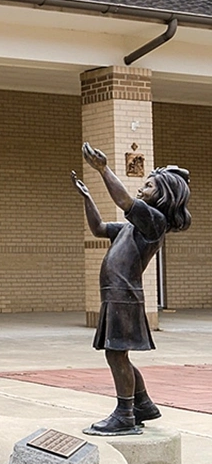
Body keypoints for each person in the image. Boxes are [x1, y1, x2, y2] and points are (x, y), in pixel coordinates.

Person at [72, 142, 191, 435]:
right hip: (116, 295)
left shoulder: (154, 221)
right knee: (118, 354)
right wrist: (88, 198)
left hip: (124, 296)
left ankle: (125, 414)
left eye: (148, 186)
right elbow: (99, 228)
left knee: (116, 354)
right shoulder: (131, 226)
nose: (141, 189)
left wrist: (103, 169)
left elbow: (125, 201)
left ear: (163, 195)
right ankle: (143, 404)